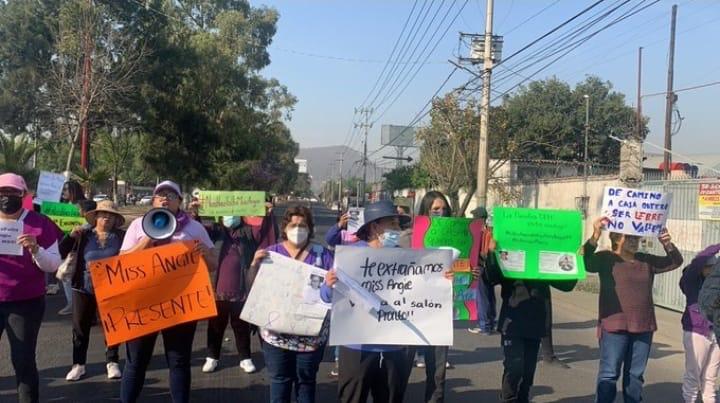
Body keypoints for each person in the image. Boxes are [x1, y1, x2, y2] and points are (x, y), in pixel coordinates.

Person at [329, 200, 453, 403]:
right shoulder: (350, 257)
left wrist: (443, 281)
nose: (397, 230)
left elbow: (423, 291)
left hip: (394, 349)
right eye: (392, 224)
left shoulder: (405, 257)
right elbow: (328, 298)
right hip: (357, 347)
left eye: (398, 225)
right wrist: (329, 285)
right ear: (375, 226)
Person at [119, 180, 217, 403]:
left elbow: (213, 264)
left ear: (179, 202)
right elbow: (123, 262)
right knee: (136, 362)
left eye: (171, 195)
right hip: (143, 304)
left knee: (179, 361)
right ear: (153, 201)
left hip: (180, 306)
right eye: (160, 194)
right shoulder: (137, 226)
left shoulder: (194, 227)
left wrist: (204, 254)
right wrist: (148, 239)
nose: (165, 198)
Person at [584, 217, 683, 403]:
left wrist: (667, 243)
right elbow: (586, 263)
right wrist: (595, 235)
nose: (634, 241)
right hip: (614, 326)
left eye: (636, 238)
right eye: (629, 237)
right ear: (616, 238)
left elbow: (675, 261)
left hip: (643, 327)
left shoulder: (645, 260)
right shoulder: (606, 259)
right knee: (609, 374)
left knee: (635, 376)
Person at [250, 205, 334, 403]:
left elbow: (334, 293)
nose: (298, 229)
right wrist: (254, 265)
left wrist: (331, 283)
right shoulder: (271, 253)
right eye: (293, 224)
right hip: (276, 335)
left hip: (310, 336)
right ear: (285, 227)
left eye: (303, 225)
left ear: (310, 228)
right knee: (280, 380)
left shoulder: (324, 256)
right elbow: (253, 287)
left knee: (306, 383)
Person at [482, 233, 576, 403]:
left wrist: (576, 259)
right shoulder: (509, 259)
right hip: (512, 322)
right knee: (514, 366)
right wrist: (491, 254)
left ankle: (523, 398)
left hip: (536, 322)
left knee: (527, 371)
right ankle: (508, 398)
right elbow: (489, 278)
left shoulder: (544, 263)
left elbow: (567, 285)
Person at [0, 173, 63, 403]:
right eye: (2, 193)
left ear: (23, 195)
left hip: (25, 303)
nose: (7, 197)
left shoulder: (40, 223)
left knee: (23, 361)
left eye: (13, 193)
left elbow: (54, 265)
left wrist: (36, 249)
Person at [60, 200, 125, 381]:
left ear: (115, 220)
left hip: (112, 288)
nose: (106, 218)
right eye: (103, 215)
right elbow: (61, 250)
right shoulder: (84, 234)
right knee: (80, 326)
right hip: (84, 287)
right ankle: (78, 365)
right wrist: (70, 236)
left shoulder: (121, 236)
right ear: (95, 217)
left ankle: (112, 362)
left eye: (111, 216)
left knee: (112, 325)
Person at [202, 215, 258, 375]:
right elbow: (197, 231)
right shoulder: (214, 232)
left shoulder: (247, 232)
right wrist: (195, 213)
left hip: (240, 291)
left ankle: (245, 358)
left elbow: (262, 233)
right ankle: (212, 357)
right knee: (215, 327)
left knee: (241, 326)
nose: (230, 216)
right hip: (217, 292)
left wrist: (267, 216)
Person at [413, 191, 454, 403]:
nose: (441, 213)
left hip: (439, 314)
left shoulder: (458, 239)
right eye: (435, 209)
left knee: (438, 373)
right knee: (399, 372)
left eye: (444, 209)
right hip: (410, 312)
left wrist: (468, 274)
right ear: (425, 211)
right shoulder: (409, 237)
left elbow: (467, 273)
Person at [680, 244, 720, 403]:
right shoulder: (691, 281)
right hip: (697, 332)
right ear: (703, 268)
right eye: (711, 267)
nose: (714, 270)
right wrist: (718, 246)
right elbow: (699, 260)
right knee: (693, 374)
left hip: (715, 332)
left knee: (710, 377)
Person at [467, 206, 497, 336]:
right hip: (490, 269)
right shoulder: (491, 231)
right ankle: (490, 322)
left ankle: (484, 326)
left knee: (481, 297)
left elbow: (480, 252)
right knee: (490, 296)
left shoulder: (479, 232)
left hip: (481, 267)